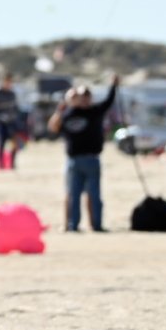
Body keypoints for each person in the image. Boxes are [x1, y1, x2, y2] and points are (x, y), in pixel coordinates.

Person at [48, 76, 120, 233]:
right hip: (74, 161)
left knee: (94, 195)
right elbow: (53, 128)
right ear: (78, 98)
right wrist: (60, 110)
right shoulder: (68, 114)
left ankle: (96, 225)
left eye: (88, 96)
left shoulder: (95, 112)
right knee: (73, 195)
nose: (85, 99)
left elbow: (109, 101)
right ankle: (73, 225)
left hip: (92, 159)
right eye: (82, 96)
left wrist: (113, 86)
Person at [0, 75, 23, 170]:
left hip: (11, 123)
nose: (9, 84)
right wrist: (0, 118)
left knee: (14, 144)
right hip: (0, 123)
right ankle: (1, 165)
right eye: (7, 82)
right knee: (0, 144)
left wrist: (16, 118)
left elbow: (16, 108)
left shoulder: (12, 94)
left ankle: (12, 164)